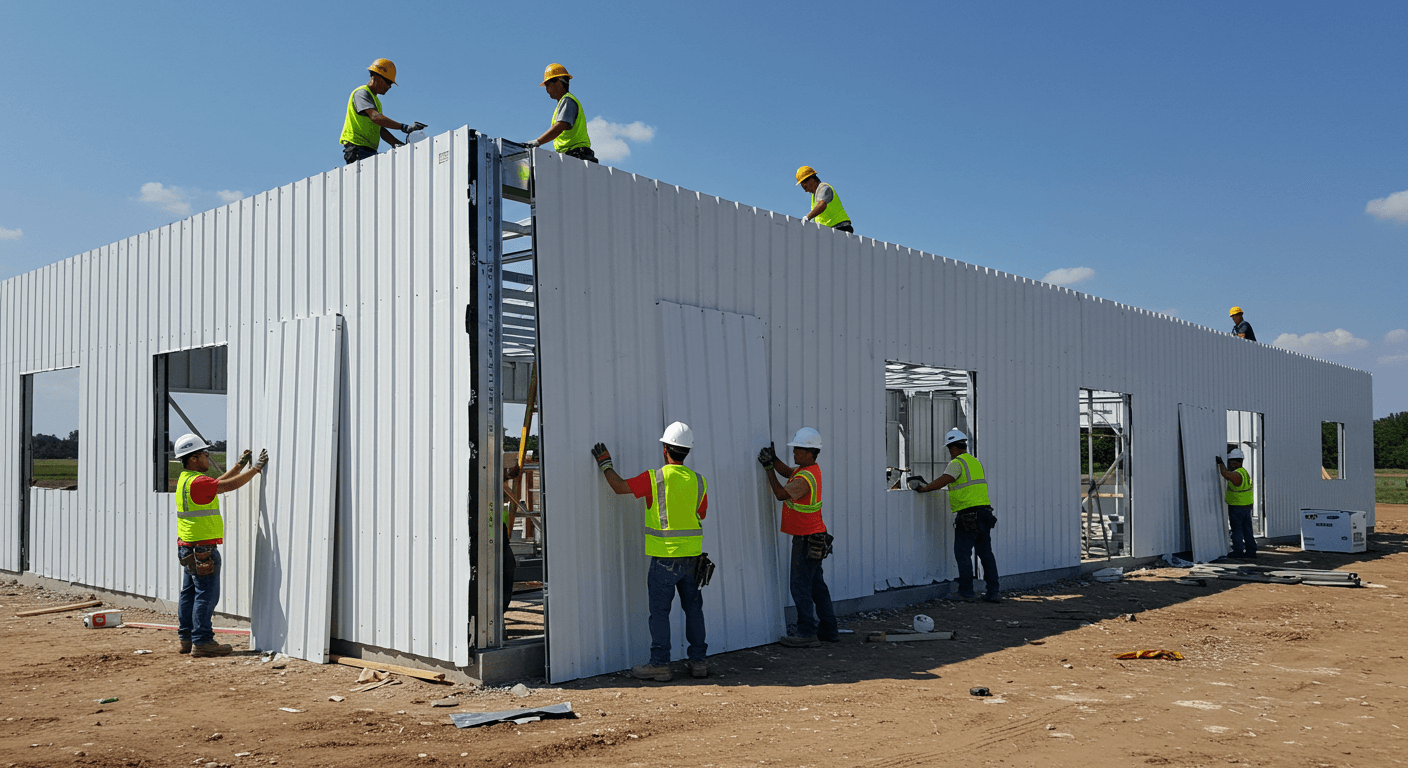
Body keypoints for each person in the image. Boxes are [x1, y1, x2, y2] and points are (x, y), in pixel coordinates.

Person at [590, 422, 708, 681]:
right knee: (694, 611)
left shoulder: (655, 478)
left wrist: (605, 464)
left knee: (660, 613)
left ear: (665, 449)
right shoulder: (699, 481)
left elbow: (619, 487)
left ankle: (660, 665)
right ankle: (698, 662)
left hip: (666, 559)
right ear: (686, 451)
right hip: (693, 559)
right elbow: (701, 514)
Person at [172, 434, 267, 656]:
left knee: (189, 593)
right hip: (203, 550)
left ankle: (186, 639)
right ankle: (203, 641)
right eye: (205, 454)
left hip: (187, 547)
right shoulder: (198, 482)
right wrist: (256, 470)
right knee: (206, 595)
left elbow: (219, 482)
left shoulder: (186, 480)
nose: (208, 457)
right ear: (194, 458)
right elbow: (227, 485)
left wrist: (240, 465)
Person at [758, 427, 839, 647]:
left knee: (799, 586)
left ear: (811, 452)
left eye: (798, 450)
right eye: (794, 450)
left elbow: (781, 494)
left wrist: (767, 469)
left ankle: (806, 633)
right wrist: (774, 460)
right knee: (816, 586)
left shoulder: (804, 478)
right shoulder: (808, 470)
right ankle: (829, 629)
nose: (795, 453)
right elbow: (787, 472)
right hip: (814, 535)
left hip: (806, 538)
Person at [910, 429, 1000, 603]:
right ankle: (993, 591)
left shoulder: (957, 462)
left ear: (953, 448)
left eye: (949, 449)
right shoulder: (974, 462)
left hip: (969, 515)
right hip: (985, 513)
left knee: (962, 553)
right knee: (986, 554)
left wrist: (924, 488)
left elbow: (946, 479)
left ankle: (966, 592)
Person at [340, 58, 426, 165]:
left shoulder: (375, 101)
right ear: (376, 76)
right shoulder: (361, 94)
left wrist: (397, 144)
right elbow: (375, 117)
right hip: (357, 149)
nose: (389, 86)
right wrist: (404, 127)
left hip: (367, 150)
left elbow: (379, 129)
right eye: (388, 82)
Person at [526, 63, 597, 162]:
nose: (546, 90)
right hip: (573, 155)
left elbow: (560, 126)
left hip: (576, 155)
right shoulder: (565, 102)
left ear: (558, 82)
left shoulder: (567, 101)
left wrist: (537, 142)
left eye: (547, 85)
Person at [1216, 448, 1257, 559]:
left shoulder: (1237, 474)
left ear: (1238, 462)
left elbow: (1225, 474)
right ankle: (1251, 551)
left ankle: (1238, 551)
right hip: (1246, 505)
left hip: (1237, 506)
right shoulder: (1244, 472)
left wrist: (1220, 463)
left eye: (1231, 462)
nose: (1230, 464)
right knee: (1247, 529)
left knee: (1237, 530)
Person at [794, 166, 854, 233]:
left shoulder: (824, 188)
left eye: (805, 187)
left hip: (840, 227)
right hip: (830, 230)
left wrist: (807, 217)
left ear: (811, 180)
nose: (805, 190)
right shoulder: (815, 195)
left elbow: (822, 205)